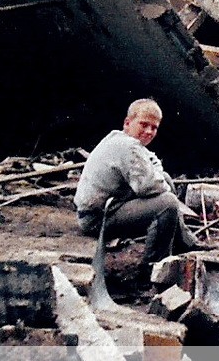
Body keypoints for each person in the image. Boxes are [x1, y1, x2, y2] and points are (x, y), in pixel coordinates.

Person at [75, 98, 203, 263]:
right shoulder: (127, 146)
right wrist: (160, 181)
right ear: (127, 122)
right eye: (144, 125)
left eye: (154, 127)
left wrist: (159, 177)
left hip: (107, 208)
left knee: (166, 180)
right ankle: (153, 266)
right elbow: (147, 186)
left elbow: (154, 164)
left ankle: (185, 242)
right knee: (167, 202)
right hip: (95, 219)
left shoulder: (121, 139)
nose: (149, 131)